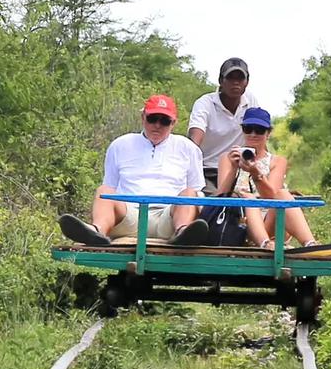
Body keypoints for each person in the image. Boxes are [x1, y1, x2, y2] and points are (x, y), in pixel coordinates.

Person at [60, 95, 211, 248]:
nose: (157, 125)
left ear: (173, 123)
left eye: (164, 121)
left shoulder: (188, 148)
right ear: (143, 117)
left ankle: (183, 232)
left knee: (189, 194)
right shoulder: (120, 145)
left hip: (168, 216)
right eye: (152, 119)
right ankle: (96, 231)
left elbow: (196, 190)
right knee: (104, 191)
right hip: (130, 215)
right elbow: (110, 187)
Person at [216, 107, 317, 249]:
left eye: (259, 130)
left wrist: (256, 174)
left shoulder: (277, 161)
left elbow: (272, 198)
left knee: (282, 194)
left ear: (268, 133)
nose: (253, 134)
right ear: (242, 130)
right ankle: (265, 244)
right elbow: (220, 198)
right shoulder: (228, 158)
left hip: (268, 221)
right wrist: (233, 169)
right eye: (248, 129)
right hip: (237, 222)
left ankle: (310, 244)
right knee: (249, 199)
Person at [187, 60, 263, 189]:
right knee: (211, 204)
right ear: (221, 81)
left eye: (240, 78)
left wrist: (266, 170)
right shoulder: (205, 103)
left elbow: (259, 137)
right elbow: (194, 141)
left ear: (247, 82)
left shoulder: (250, 101)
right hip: (207, 170)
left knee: (252, 200)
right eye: (230, 77)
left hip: (240, 169)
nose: (236, 82)